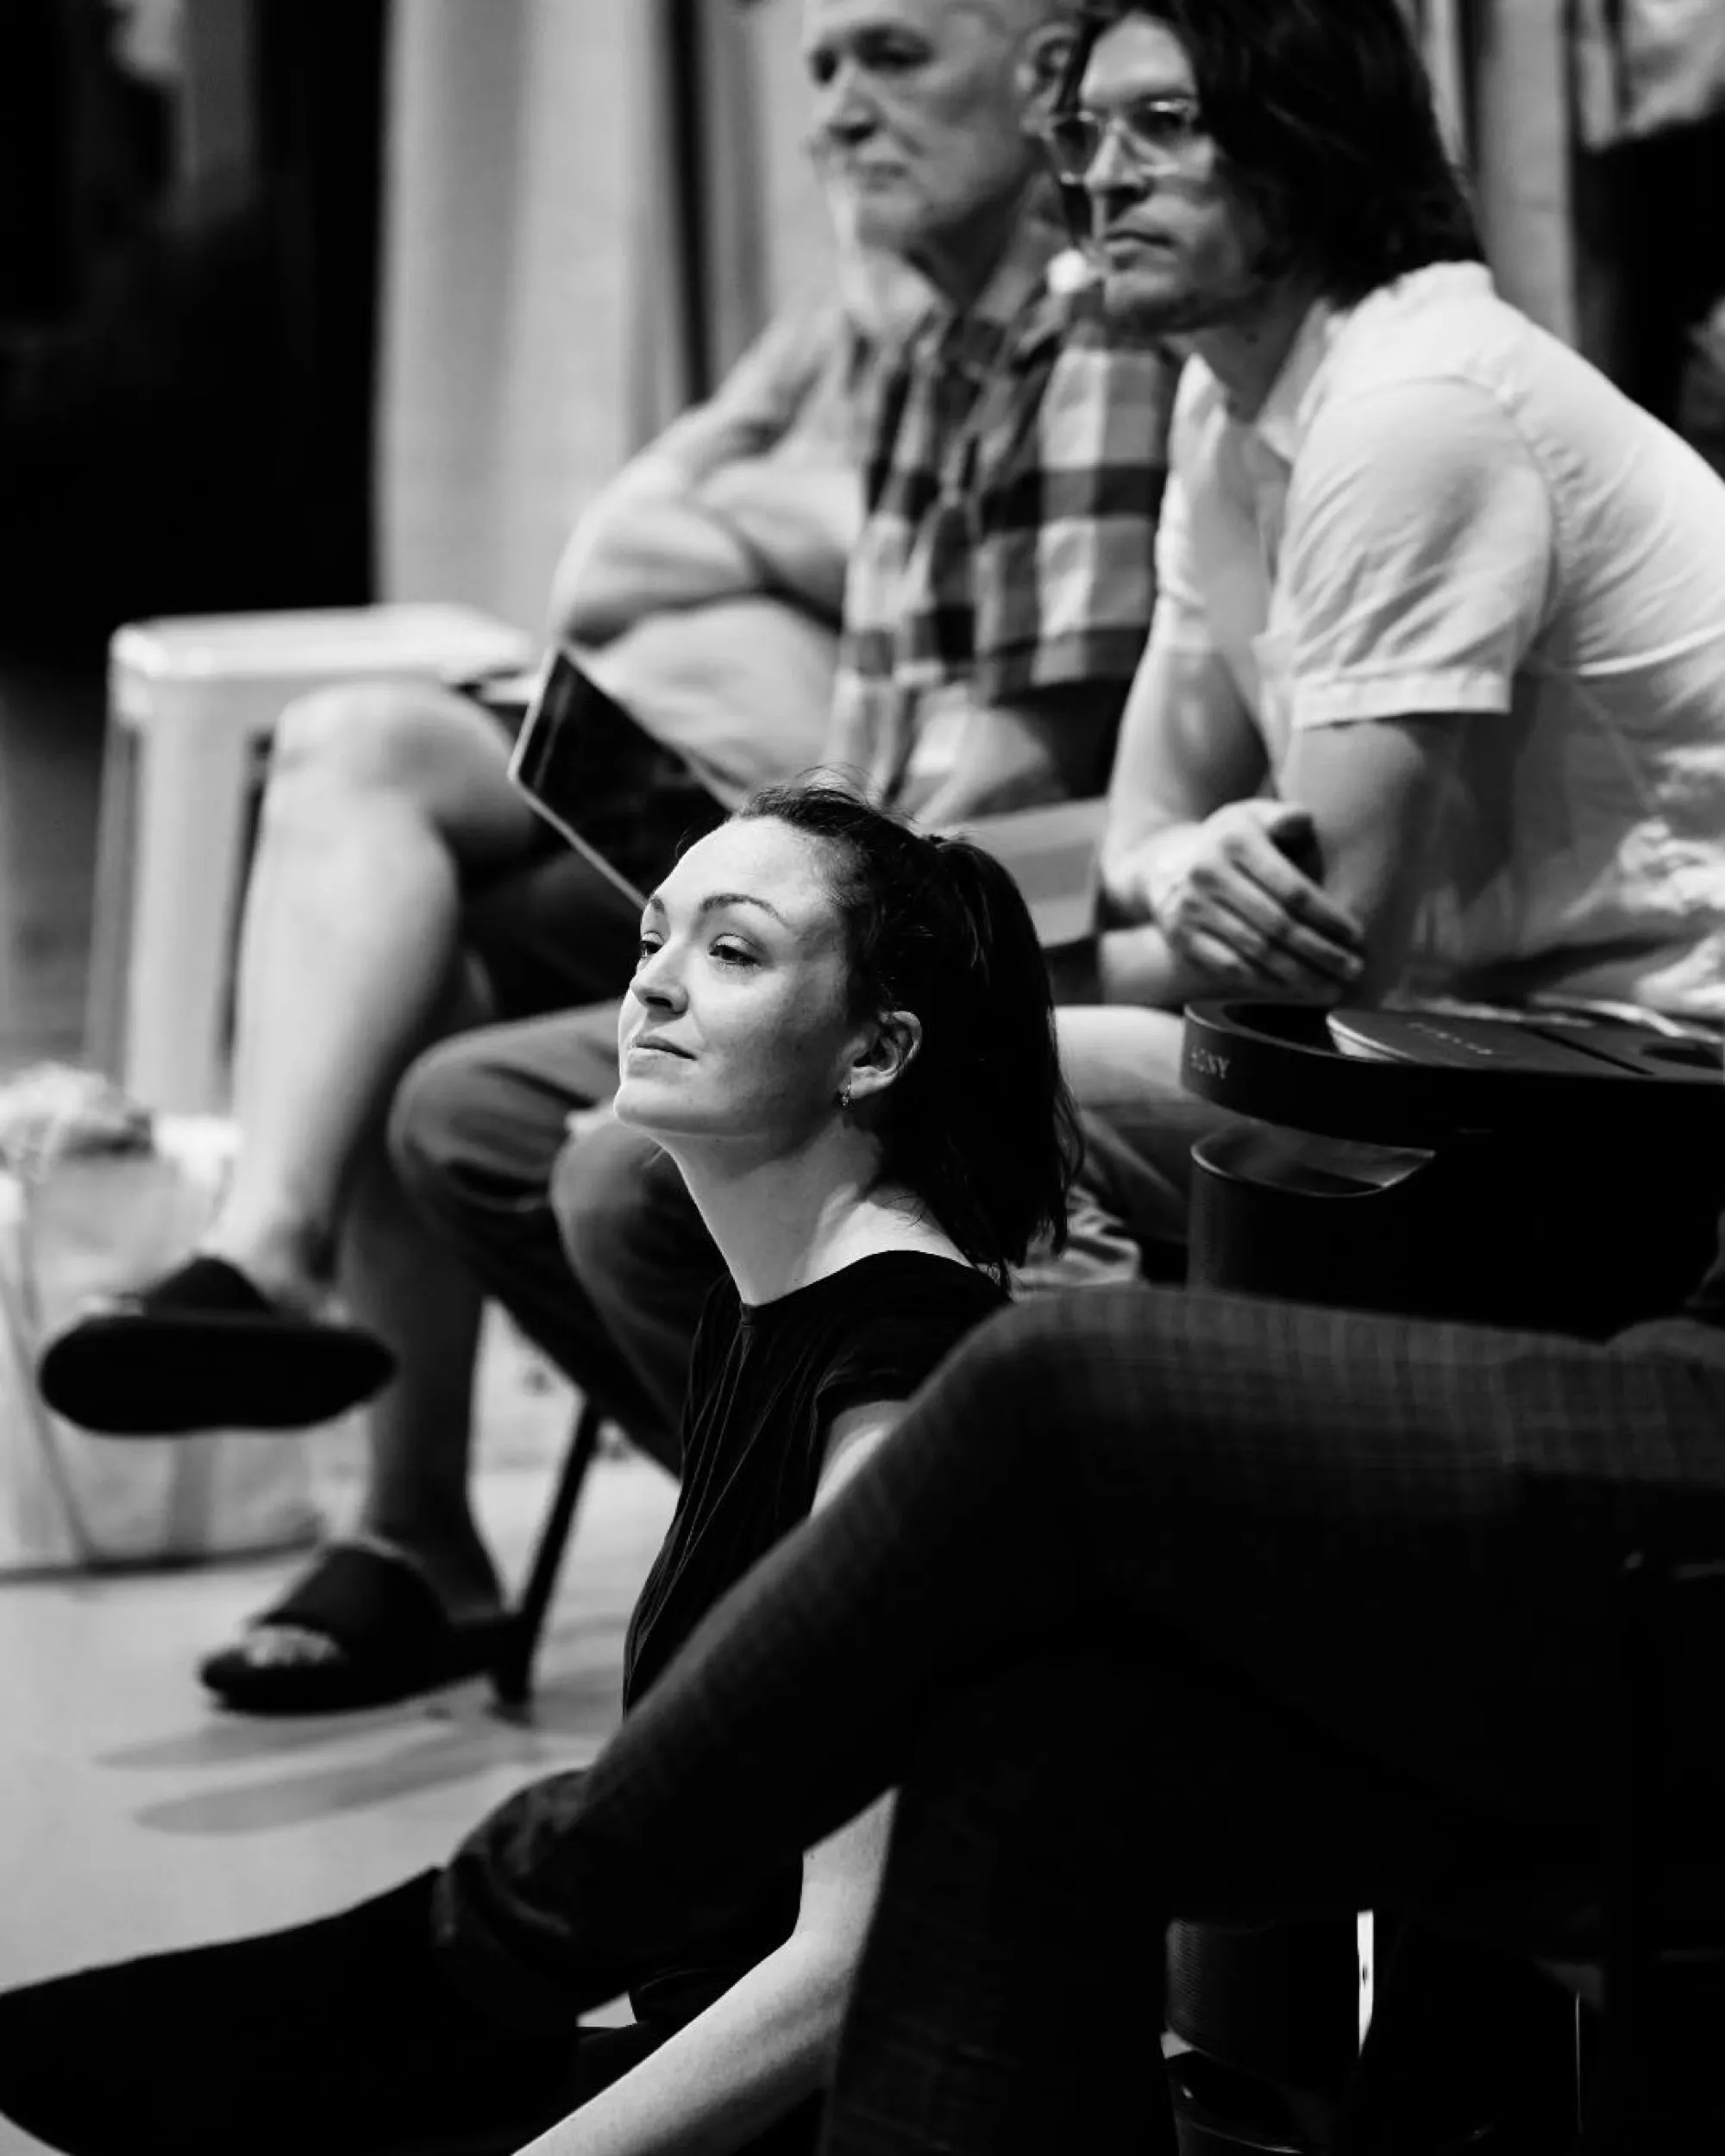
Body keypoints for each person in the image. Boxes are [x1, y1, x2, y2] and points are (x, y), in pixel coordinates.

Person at [80, 0, 1171, 1714]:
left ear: (1041, 86)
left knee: (536, 1121)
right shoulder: (896, 346)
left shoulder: (1086, 347)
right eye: (816, 71)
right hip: (759, 835)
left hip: (927, 925)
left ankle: (825, 1590)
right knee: (382, 837)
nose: (836, 113)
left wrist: (732, 566)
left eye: (891, 58)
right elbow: (608, 551)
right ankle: (324, 1344)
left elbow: (988, 822)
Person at [552, 0, 1725, 1434]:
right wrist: (1183, 865)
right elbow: (1141, 833)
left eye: (1165, 126)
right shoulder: (1229, 408)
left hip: (1629, 1073)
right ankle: (918, 1577)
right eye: (1085, 132)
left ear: (1309, 144)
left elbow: (1339, 957)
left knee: (860, 1109)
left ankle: (1071, 1580)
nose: (1101, 176)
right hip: (1460, 1035)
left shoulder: (1415, 407)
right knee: (672, 1137)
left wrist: (1157, 890)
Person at [0, 781, 1080, 2156]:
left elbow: (860, 1964)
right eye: (651, 941)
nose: (656, 991)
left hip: (853, 2112)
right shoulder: (760, 1308)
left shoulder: (897, 1384)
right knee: (115, 2058)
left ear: (875, 1052)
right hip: (707, 2036)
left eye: (732, 952)